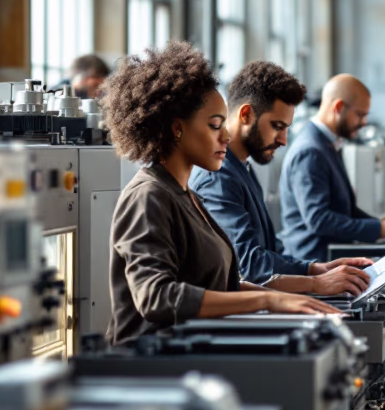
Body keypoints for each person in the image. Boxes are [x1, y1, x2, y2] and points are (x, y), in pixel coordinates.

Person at [100, 42, 340, 346]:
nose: (226, 135)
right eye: (215, 125)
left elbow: (223, 285)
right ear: (177, 129)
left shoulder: (186, 195)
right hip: (153, 371)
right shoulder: (148, 197)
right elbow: (157, 297)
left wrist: (289, 294)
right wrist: (269, 301)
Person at [191, 61, 374, 296]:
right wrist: (316, 282)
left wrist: (315, 269)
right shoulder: (217, 178)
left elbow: (268, 250)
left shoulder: (242, 167)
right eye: (277, 126)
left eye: (286, 128)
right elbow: (250, 266)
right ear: (246, 114)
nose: (283, 140)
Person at [278, 74, 385, 261]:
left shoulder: (327, 145)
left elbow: (344, 211)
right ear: (338, 107)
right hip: (313, 267)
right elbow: (319, 220)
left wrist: (380, 225)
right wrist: (378, 229)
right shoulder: (311, 151)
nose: (364, 123)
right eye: (360, 115)